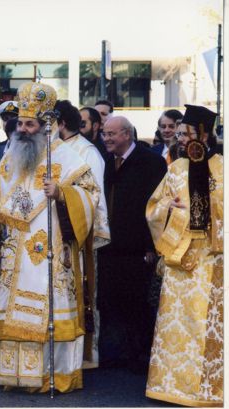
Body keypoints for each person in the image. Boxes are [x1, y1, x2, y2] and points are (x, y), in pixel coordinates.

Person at [0, 82, 101, 393]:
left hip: (52, 249)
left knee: (49, 306)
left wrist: (63, 194)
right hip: (15, 251)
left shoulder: (69, 159)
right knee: (13, 307)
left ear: (46, 126)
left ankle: (49, 374)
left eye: (31, 124)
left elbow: (92, 198)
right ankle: (11, 374)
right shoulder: (8, 158)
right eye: (21, 124)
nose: (24, 130)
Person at [145, 105, 223, 407]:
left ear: (204, 135)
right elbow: (154, 208)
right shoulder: (176, 169)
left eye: (187, 134)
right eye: (179, 135)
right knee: (177, 323)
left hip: (213, 261)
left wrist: (203, 214)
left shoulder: (223, 168)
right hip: (179, 261)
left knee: (206, 324)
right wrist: (171, 211)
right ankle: (172, 386)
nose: (181, 140)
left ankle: (209, 390)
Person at [97, 116, 167, 373]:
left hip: (138, 248)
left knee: (137, 303)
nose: (107, 139)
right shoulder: (106, 162)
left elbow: (157, 208)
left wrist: (151, 247)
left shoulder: (151, 162)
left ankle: (140, 356)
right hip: (110, 248)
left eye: (111, 134)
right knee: (111, 301)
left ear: (127, 134)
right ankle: (117, 353)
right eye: (104, 134)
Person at [54, 100, 110, 369]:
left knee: (80, 296)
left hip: (77, 236)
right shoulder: (53, 149)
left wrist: (64, 198)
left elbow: (94, 198)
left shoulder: (88, 153)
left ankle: (82, 357)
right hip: (51, 237)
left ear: (61, 123)